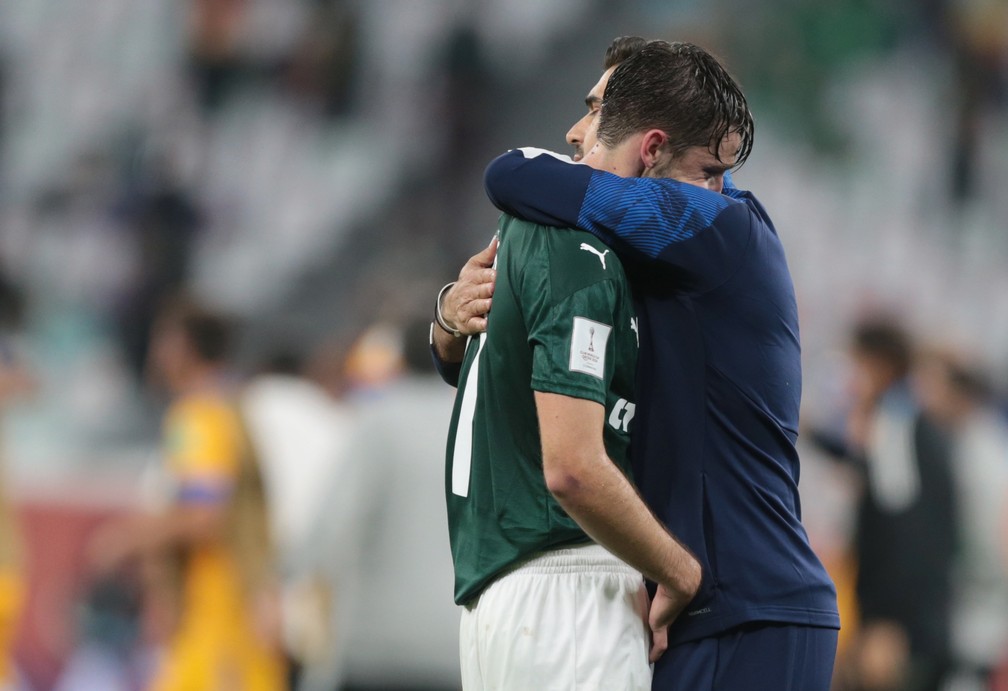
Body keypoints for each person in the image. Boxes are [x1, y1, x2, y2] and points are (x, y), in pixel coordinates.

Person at [435, 40, 840, 689]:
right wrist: (449, 323)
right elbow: (523, 376)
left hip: (748, 606)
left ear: (648, 140)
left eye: (598, 109)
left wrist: (680, 574)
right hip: (693, 604)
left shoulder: (718, 226)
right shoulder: (643, 255)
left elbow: (513, 173)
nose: (577, 130)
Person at [436, 37, 701, 689]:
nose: (575, 130)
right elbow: (575, 468)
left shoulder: (550, 232)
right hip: (570, 590)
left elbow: (485, 365)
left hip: (507, 600)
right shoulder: (575, 243)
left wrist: (445, 320)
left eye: (596, 109)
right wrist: (680, 570)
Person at [89, 297, 287, 691]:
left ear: (181, 346)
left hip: (216, 616)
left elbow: (203, 517)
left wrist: (123, 540)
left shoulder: (199, 415)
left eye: (163, 340)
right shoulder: (231, 406)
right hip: (233, 615)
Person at [810, 317, 956, 691]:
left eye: (857, 363)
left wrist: (891, 623)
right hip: (906, 620)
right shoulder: (899, 423)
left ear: (881, 365)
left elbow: (909, 532)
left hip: (902, 627)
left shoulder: (898, 425)